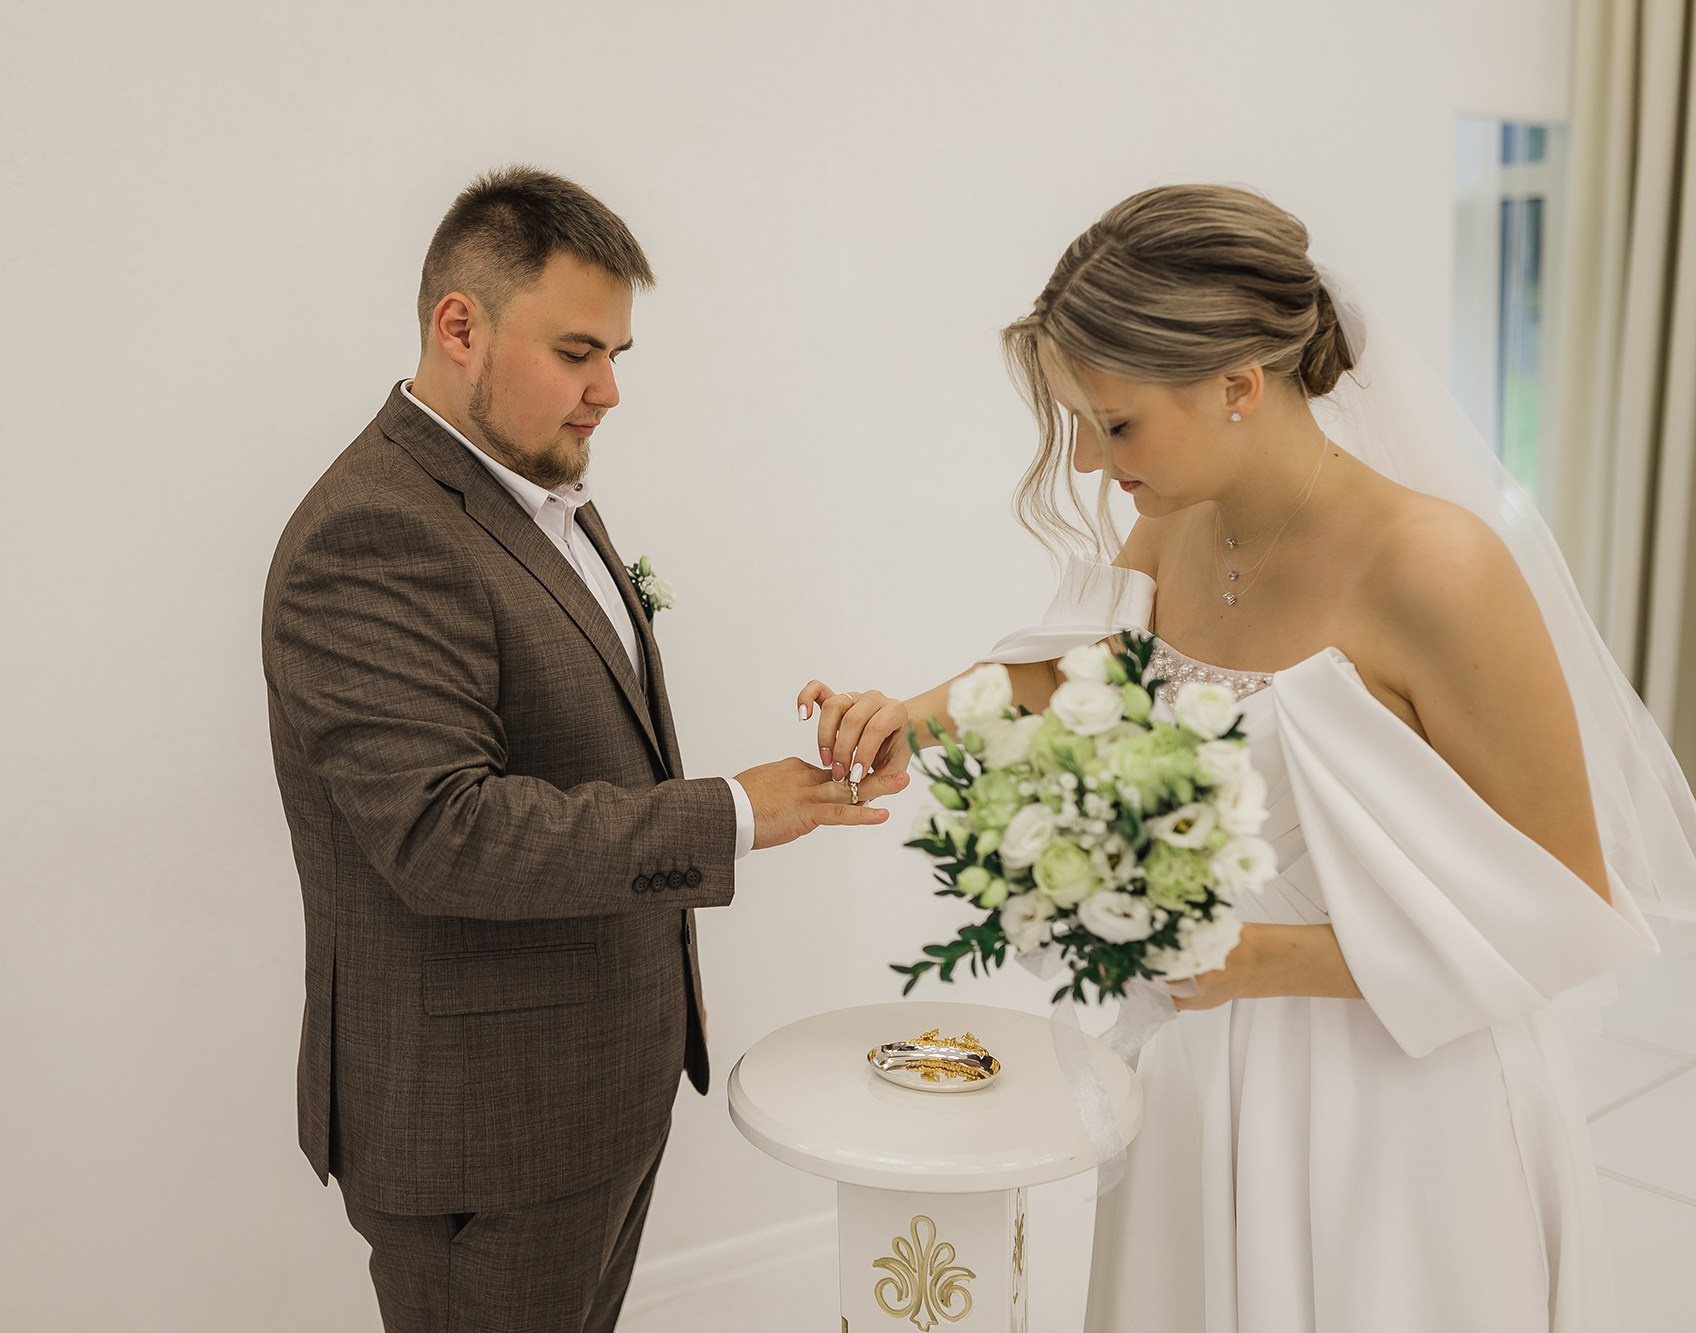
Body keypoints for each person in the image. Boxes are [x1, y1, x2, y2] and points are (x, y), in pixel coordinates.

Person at [806, 184, 1695, 1331]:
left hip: (1393, 1086)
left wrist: (1258, 955)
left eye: (1114, 423)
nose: (1086, 460)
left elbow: (1566, 904)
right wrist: (911, 719)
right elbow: (1091, 670)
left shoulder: (1436, 567)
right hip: (1197, 1056)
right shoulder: (1181, 514)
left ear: (1237, 386)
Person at [261, 166, 899, 1333]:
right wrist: (737, 812)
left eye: (616, 355)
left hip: (587, 1093)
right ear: (459, 325)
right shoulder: (373, 530)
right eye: (574, 351)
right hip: (480, 1134)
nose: (606, 390)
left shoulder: (532, 491)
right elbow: (442, 833)